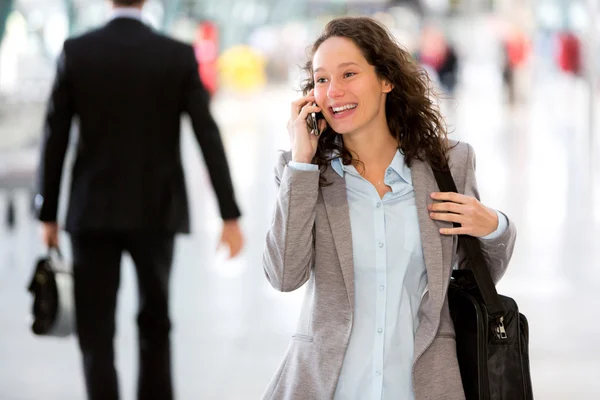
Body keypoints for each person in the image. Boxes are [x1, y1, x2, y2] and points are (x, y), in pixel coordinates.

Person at [262, 17, 516, 400]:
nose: (334, 91)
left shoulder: (449, 165)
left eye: (349, 73)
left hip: (423, 386)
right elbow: (283, 275)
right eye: (321, 79)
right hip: (328, 387)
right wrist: (301, 162)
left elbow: (478, 274)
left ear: (386, 80)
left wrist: (494, 227)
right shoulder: (303, 173)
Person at [35, 1, 244, 399]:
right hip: (157, 210)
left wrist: (47, 213)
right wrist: (228, 214)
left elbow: (54, 136)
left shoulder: (77, 52)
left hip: (91, 212)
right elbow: (207, 134)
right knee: (156, 322)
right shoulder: (176, 55)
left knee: (96, 331)